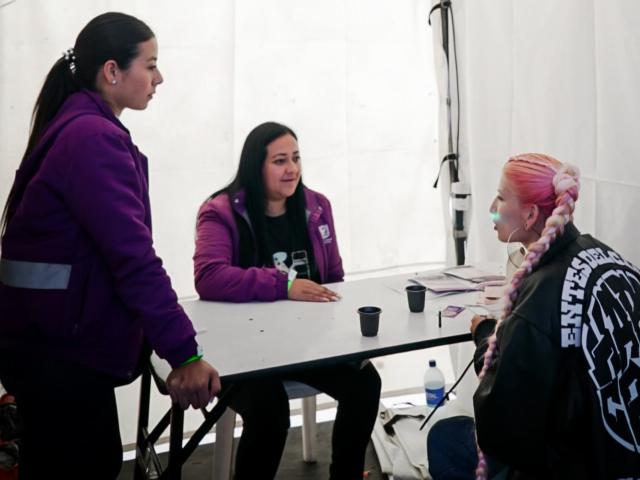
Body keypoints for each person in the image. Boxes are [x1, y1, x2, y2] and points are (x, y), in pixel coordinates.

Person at [0, 13, 221, 480]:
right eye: (151, 64)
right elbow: (133, 259)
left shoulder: (75, 124)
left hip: (45, 348)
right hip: (64, 361)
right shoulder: (92, 138)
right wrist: (185, 354)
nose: (159, 78)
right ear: (112, 71)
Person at [427, 153, 640, 479]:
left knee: (445, 437)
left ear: (529, 215)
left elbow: (500, 422)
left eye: (500, 196)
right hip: (620, 450)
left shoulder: (537, 302)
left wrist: (487, 335)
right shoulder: (610, 258)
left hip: (576, 463)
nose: (491, 208)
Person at [194, 121, 381, 479]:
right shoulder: (220, 212)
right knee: (269, 410)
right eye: (280, 160)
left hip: (307, 346)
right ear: (256, 166)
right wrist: (284, 285)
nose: (292, 168)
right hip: (243, 351)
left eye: (295, 158)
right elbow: (209, 277)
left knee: (365, 383)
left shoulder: (317, 207)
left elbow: (334, 278)